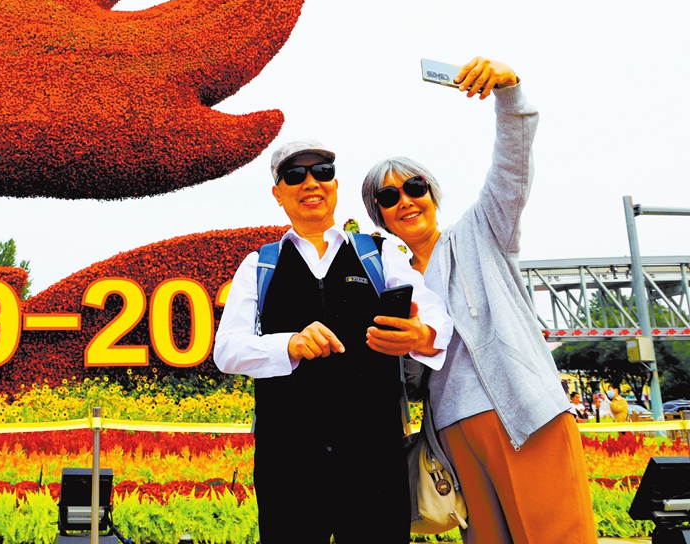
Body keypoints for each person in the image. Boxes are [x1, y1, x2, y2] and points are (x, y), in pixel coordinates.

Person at [361, 56, 597, 543]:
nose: (405, 199)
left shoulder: (482, 230)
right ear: (379, 215)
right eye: (388, 197)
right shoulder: (389, 278)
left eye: (415, 186)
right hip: (451, 429)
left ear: (432, 194)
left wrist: (508, 93)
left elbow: (512, 169)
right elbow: (404, 374)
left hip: (524, 411)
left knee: (554, 535)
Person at [213, 140, 452, 543]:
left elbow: (432, 315)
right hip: (287, 460)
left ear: (335, 185)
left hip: (373, 456)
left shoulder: (379, 254)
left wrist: (421, 334)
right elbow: (227, 350)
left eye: (322, 172)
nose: (311, 182)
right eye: (295, 175)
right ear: (278, 193)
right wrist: (287, 344)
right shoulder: (260, 264)